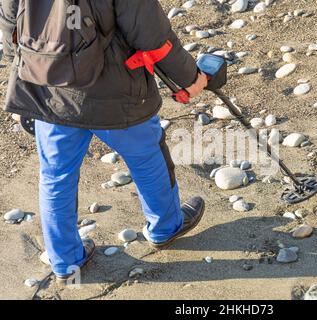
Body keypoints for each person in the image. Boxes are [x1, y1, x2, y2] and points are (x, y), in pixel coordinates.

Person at [0, 0, 208, 281]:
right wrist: (190, 78)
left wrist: (27, 71)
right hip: (117, 93)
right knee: (147, 157)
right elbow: (152, 36)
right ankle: (165, 228)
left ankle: (64, 261)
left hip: (49, 91)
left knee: (55, 176)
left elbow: (10, 21)